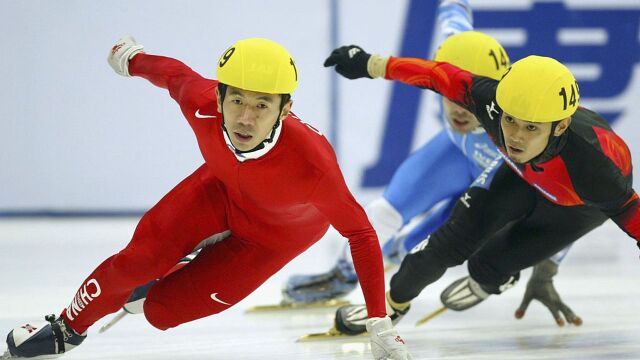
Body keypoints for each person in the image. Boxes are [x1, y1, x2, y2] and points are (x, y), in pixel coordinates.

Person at [2, 36, 411, 360]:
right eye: (236, 101)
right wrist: (131, 58)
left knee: (159, 312)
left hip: (274, 238)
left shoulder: (313, 166)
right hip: (219, 190)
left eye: (262, 105)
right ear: (218, 97)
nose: (246, 118)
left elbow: (361, 233)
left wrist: (378, 320)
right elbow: (174, 75)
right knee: (137, 262)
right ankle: (67, 329)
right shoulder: (202, 104)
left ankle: (168, 274)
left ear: (285, 110)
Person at [285, 0, 579, 327]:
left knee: (418, 246)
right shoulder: (459, 50)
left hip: (496, 178)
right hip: (454, 154)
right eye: (450, 94)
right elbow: (453, 14)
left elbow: (567, 206)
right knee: (385, 211)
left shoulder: (524, 133)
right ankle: (343, 274)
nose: (459, 109)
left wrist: (543, 269)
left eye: (470, 102)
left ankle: (394, 263)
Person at [321, 36, 640, 335]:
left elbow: (631, 213)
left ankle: (491, 277)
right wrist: (369, 63)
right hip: (519, 175)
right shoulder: (490, 102)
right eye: (510, 120)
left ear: (561, 126)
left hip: (575, 206)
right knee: (444, 243)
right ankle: (389, 306)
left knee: (490, 262)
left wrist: (545, 271)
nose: (515, 136)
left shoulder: (592, 167)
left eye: (531, 127)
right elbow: (437, 75)